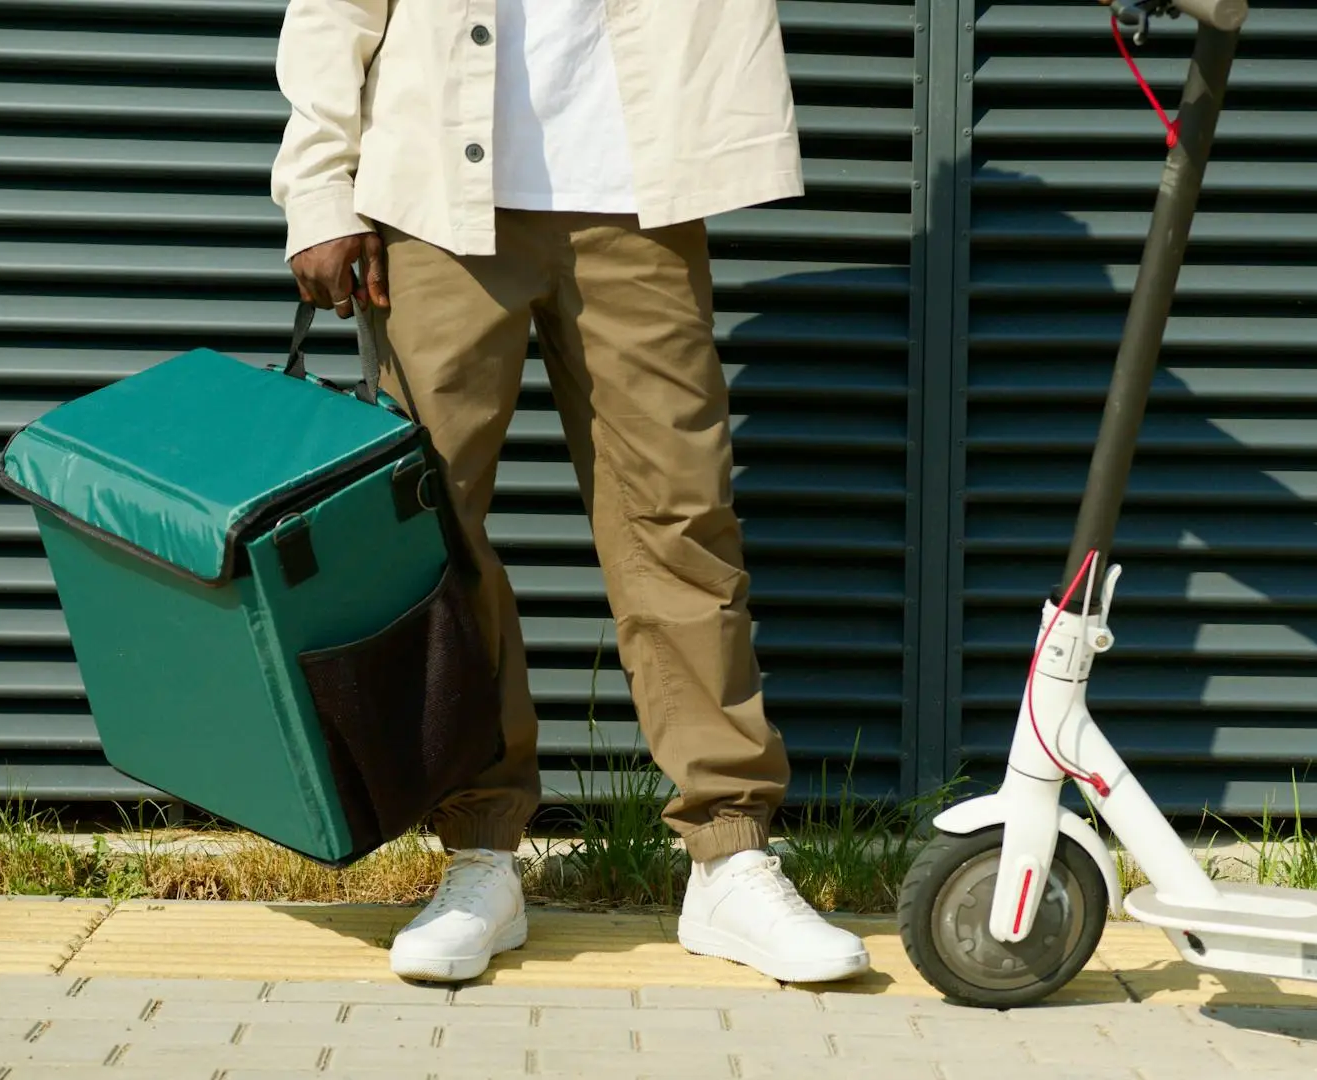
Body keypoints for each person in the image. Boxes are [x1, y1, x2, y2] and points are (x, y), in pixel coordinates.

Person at [270, 0, 871, 985]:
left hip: (643, 183)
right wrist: (320, 188)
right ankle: (480, 854)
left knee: (680, 521)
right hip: (433, 191)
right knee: (432, 532)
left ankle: (729, 856)